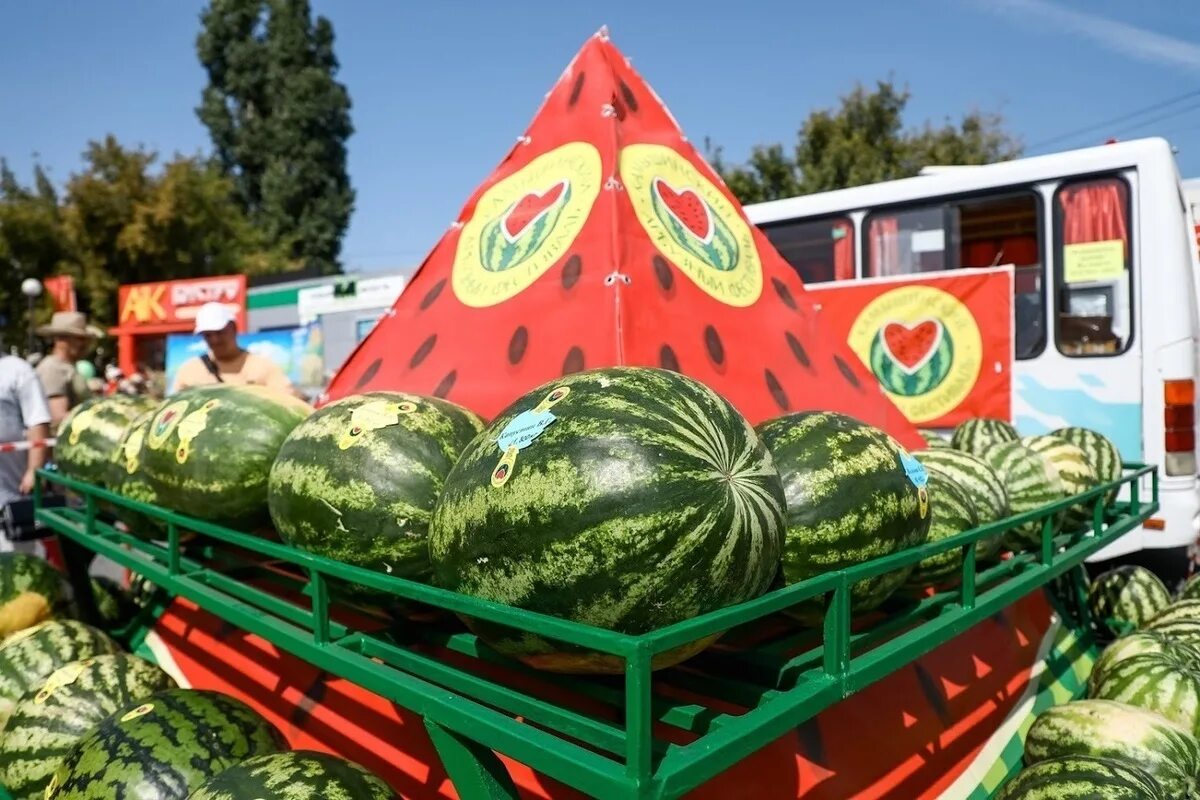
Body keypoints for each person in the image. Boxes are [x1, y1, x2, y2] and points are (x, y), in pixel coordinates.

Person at [170, 302, 294, 395]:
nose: (214, 340)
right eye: (208, 335)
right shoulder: (189, 371)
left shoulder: (264, 367)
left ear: (234, 328)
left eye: (219, 332)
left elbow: (290, 401)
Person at [0, 353, 51, 553]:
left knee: (12, 565)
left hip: (10, 495)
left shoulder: (17, 369)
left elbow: (37, 420)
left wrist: (34, 469)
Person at [33, 311, 101, 433]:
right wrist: (100, 421)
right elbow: (57, 417)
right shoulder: (53, 369)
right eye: (80, 339)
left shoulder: (68, 367)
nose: (85, 344)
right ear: (61, 339)